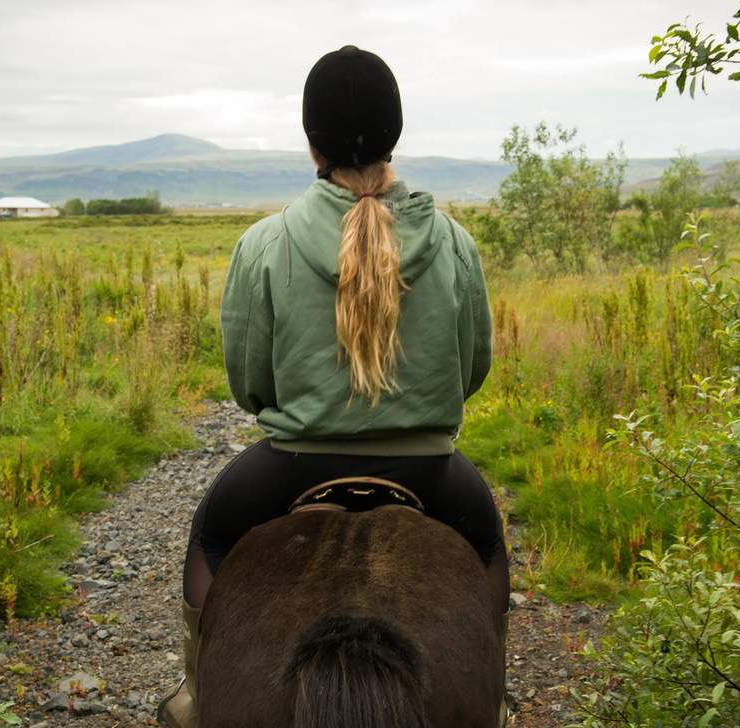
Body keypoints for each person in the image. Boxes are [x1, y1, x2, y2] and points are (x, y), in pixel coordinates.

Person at [157, 45, 510, 727]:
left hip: (289, 465)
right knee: (489, 546)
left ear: (312, 142)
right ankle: (492, 702)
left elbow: (249, 381)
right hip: (431, 471)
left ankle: (198, 697)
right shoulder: (455, 243)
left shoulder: (264, 243)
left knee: (210, 534)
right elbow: (472, 370)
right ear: (393, 135)